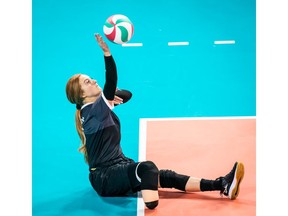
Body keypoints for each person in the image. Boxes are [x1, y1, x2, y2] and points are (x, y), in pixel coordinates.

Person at [65, 33, 245, 210]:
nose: (93, 80)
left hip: (119, 167)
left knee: (165, 176)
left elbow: (127, 94)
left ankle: (221, 184)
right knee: (148, 169)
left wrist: (112, 97)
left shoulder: (97, 108)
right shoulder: (92, 111)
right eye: (87, 82)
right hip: (105, 177)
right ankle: (151, 205)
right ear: (81, 95)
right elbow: (111, 82)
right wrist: (107, 53)